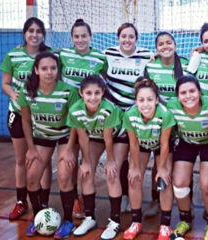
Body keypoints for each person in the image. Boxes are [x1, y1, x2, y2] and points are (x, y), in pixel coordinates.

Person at [17, 52, 79, 236]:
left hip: (65, 137)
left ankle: (68, 220)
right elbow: (26, 121)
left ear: (58, 70)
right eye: (44, 68)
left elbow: (76, 122)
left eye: (53, 68)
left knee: (64, 175)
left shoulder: (69, 91)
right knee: (32, 177)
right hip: (42, 136)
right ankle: (38, 219)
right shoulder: (27, 91)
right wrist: (31, 148)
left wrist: (69, 149)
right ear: (36, 70)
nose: (49, 72)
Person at [0, 17, 53, 220]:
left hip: (42, 116)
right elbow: (5, 83)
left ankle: (44, 202)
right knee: (21, 159)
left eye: (38, 31)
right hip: (18, 113)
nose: (34, 34)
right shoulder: (12, 55)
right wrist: (12, 94)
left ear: (43, 34)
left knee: (44, 160)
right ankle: (21, 201)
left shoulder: (49, 56)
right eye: (30, 30)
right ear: (24, 33)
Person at [59, 18, 109, 219]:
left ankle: (84, 200)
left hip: (91, 119)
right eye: (76, 36)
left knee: (86, 164)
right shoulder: (62, 54)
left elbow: (106, 79)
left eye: (84, 36)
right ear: (71, 38)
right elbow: (42, 57)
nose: (80, 40)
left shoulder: (100, 58)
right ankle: (73, 202)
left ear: (91, 37)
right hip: (68, 116)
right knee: (69, 163)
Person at [65, 75, 124, 239]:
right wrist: (85, 161)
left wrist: (110, 160)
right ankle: (89, 218)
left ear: (103, 93)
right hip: (95, 136)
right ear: (81, 93)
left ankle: (115, 221)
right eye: (88, 93)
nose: (93, 97)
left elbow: (108, 138)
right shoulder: (75, 110)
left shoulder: (108, 109)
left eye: (97, 93)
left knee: (112, 173)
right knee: (86, 172)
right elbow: (82, 137)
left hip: (118, 137)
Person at [103, 23, 153, 213]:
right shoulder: (108, 54)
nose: (127, 40)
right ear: (118, 38)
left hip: (134, 118)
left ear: (136, 38)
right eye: (123, 36)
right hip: (114, 118)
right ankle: (122, 196)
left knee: (132, 159)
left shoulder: (146, 56)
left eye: (131, 36)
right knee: (118, 161)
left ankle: (133, 200)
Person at [166, 75, 208, 240]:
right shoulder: (171, 106)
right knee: (179, 183)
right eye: (183, 93)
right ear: (177, 96)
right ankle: (185, 219)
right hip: (186, 142)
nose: (188, 96)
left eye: (192, 91)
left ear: (200, 92)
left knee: (206, 184)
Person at [122, 77, 175, 240]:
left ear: (157, 100)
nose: (146, 104)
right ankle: (136, 221)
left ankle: (165, 225)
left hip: (162, 146)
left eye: (150, 99)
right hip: (142, 144)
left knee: (164, 181)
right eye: (141, 100)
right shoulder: (130, 115)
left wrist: (163, 168)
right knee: (134, 178)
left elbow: (165, 144)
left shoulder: (165, 114)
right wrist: (135, 167)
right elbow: (134, 143)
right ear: (136, 102)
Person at [143, 31, 188, 217]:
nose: (165, 46)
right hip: (160, 123)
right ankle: (156, 199)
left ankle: (187, 204)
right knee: (159, 162)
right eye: (160, 44)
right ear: (156, 49)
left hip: (182, 122)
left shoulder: (185, 65)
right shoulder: (151, 66)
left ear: (175, 45)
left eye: (168, 42)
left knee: (183, 163)